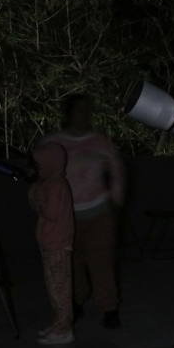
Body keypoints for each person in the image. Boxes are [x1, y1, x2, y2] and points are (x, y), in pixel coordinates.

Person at [39, 94, 126, 329]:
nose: (84, 115)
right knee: (72, 263)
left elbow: (117, 172)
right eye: (79, 110)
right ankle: (75, 303)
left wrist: (117, 205)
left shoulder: (100, 142)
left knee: (102, 262)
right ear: (68, 113)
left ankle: (109, 308)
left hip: (98, 212)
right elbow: (41, 177)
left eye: (87, 110)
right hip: (67, 216)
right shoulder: (54, 142)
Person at [28, 142, 75, 345]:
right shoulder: (50, 184)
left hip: (57, 245)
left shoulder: (57, 187)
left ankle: (64, 329)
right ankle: (58, 324)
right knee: (54, 288)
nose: (35, 170)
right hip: (50, 243)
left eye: (38, 166)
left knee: (59, 290)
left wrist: (36, 195)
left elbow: (51, 212)